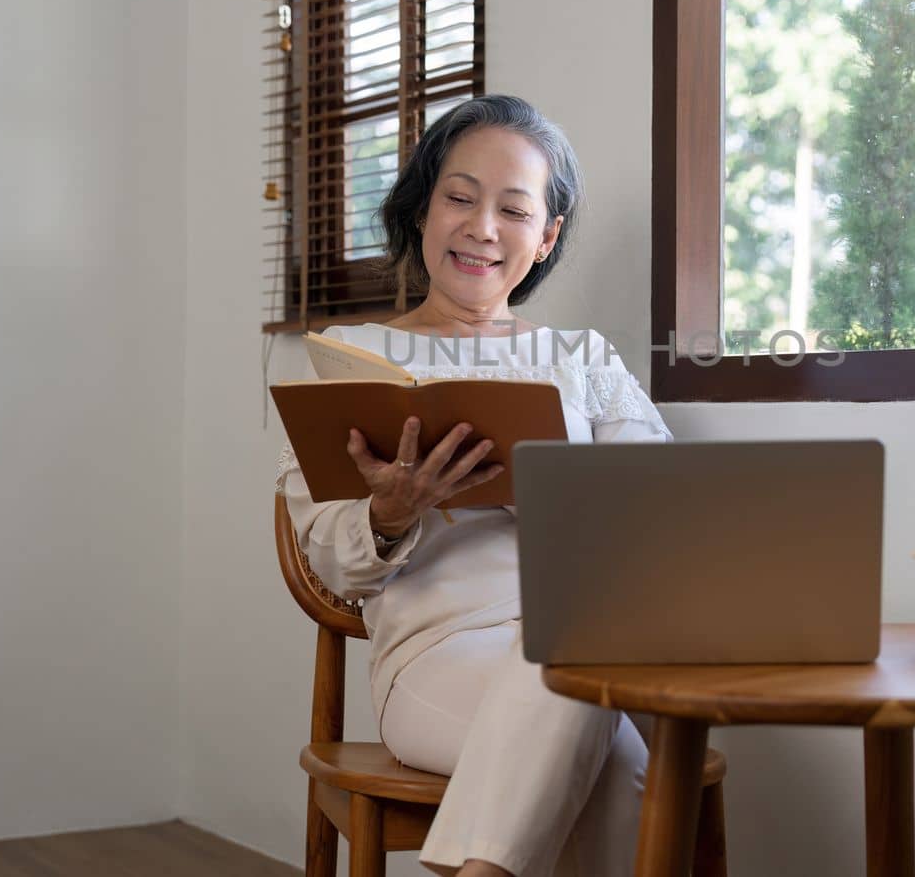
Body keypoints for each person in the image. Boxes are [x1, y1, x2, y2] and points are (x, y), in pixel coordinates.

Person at [275, 96, 672, 877]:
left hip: (584, 643)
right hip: (435, 662)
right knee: (616, 746)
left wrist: (540, 488)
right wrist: (391, 512)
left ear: (546, 235)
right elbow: (330, 562)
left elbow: (659, 519)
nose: (482, 227)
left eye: (514, 209)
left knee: (586, 690)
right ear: (423, 205)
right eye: (459, 197)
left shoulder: (582, 357)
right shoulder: (352, 356)